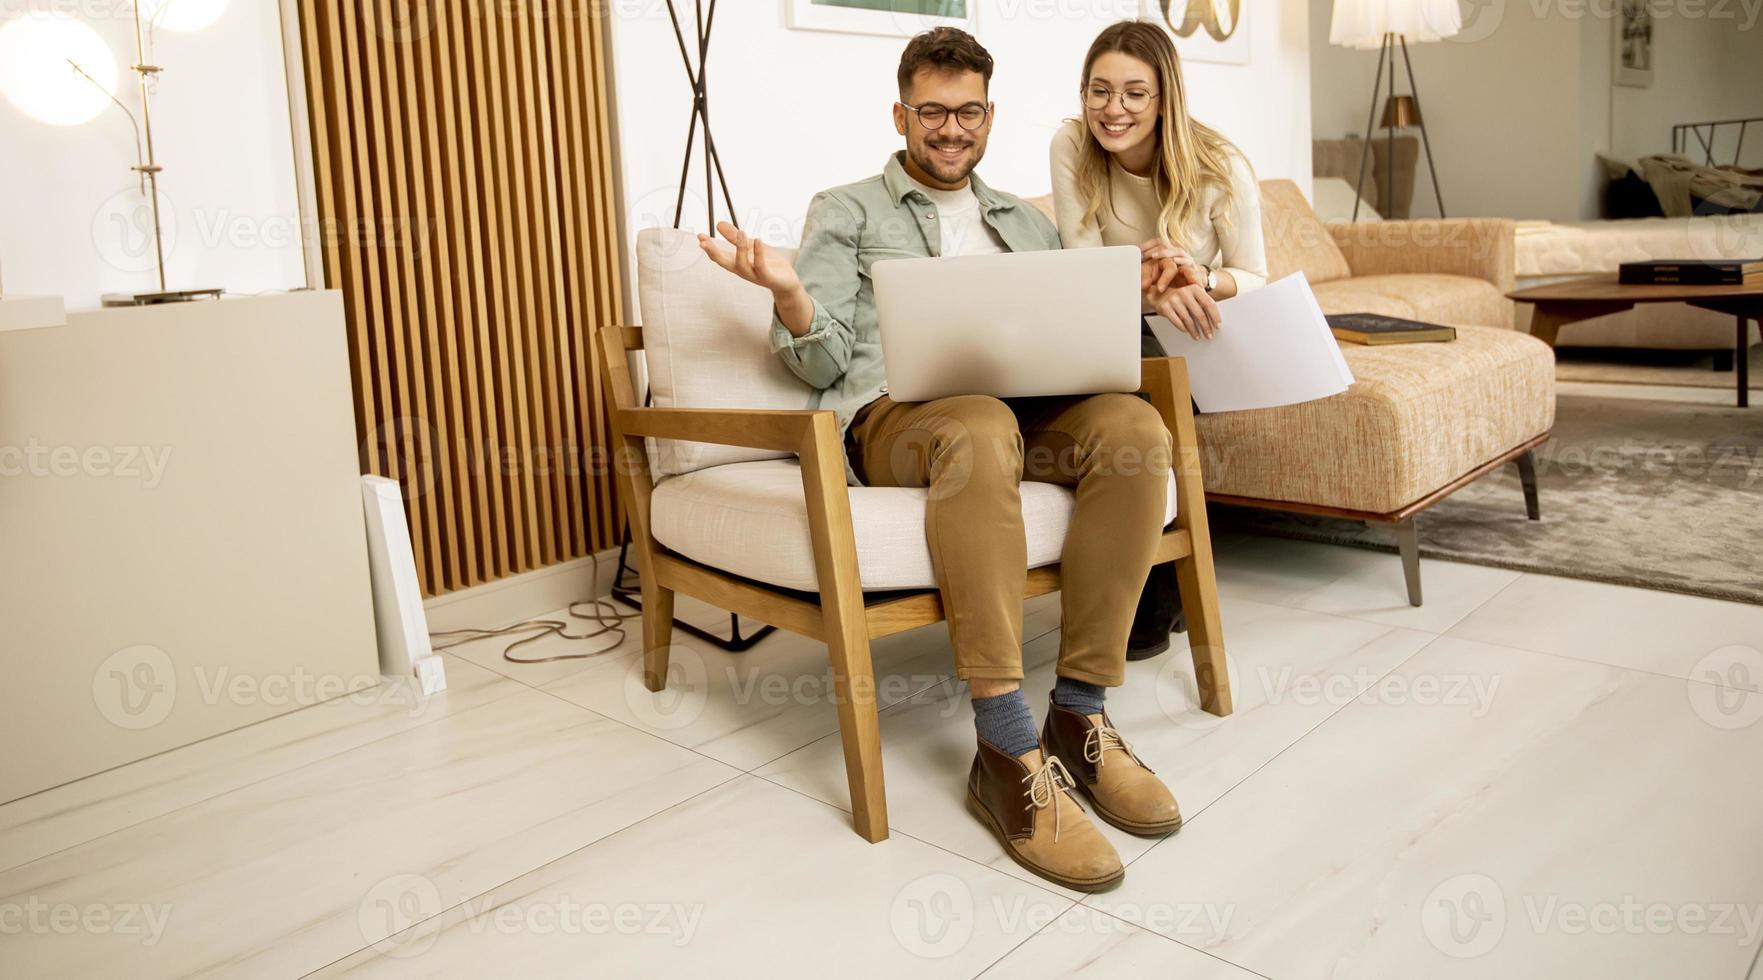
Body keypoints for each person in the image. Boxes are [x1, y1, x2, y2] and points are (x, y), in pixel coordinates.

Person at [699, 28, 1180, 893]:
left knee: (1136, 432)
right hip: (897, 422)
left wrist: (1128, 296)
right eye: (931, 112)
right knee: (980, 424)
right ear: (901, 113)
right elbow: (817, 362)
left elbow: (1069, 332)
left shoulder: (1027, 221)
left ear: (989, 116)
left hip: (1018, 412)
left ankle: (1080, 716)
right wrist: (790, 295)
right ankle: (1003, 747)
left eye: (967, 112)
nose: (949, 129)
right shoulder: (846, 210)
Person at [1050, 19, 1269, 660]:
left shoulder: (1218, 165)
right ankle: (1155, 586)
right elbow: (1078, 263)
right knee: (1131, 399)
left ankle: (1153, 590)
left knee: (1154, 393)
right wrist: (1146, 289)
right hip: (1115, 324)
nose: (1112, 110)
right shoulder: (1071, 144)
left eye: (1133, 94)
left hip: (1196, 335)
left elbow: (1257, 275)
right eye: (1099, 91)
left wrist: (1197, 276)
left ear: (1164, 97)